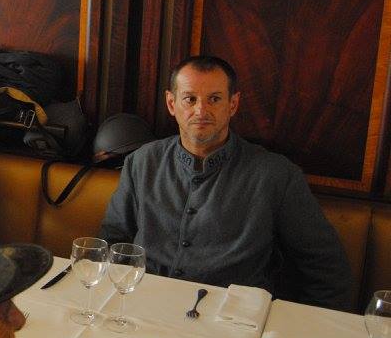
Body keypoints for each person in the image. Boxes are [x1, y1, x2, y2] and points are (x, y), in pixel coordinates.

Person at [99, 55, 353, 310]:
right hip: (145, 305)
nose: (201, 111)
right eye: (190, 99)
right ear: (171, 103)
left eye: (214, 99)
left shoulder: (276, 175)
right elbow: (113, 240)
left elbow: (327, 269)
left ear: (233, 104)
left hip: (232, 318)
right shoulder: (142, 162)